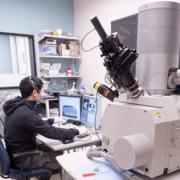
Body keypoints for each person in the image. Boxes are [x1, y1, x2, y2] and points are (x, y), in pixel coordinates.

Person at [3, 76, 79, 179]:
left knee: (58, 152)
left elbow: (34, 124)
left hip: (16, 153)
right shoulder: (25, 113)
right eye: (42, 91)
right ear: (34, 93)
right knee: (61, 160)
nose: (43, 94)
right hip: (22, 159)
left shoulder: (18, 106)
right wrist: (74, 131)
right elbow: (50, 132)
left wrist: (51, 121)